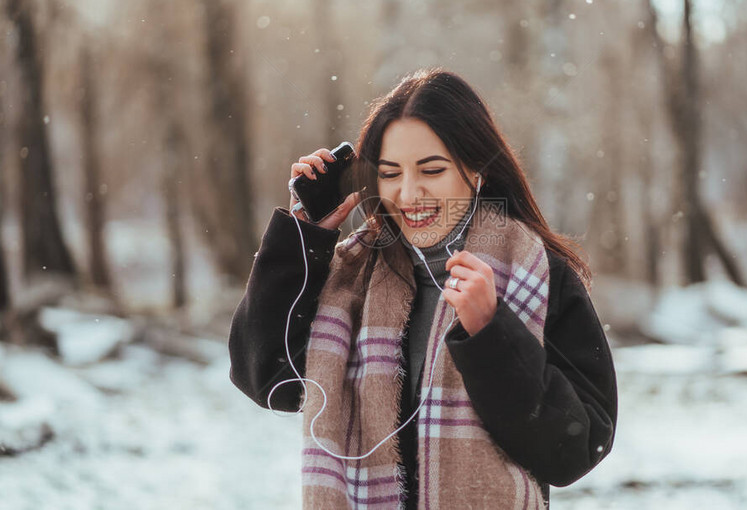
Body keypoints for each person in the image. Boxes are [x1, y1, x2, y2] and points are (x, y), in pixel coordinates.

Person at [228, 68, 617, 509]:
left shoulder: (540, 275)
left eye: (431, 169)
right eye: (390, 173)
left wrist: (491, 333)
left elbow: (576, 451)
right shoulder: (351, 276)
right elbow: (266, 379)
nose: (410, 194)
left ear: (477, 170)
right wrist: (303, 238)